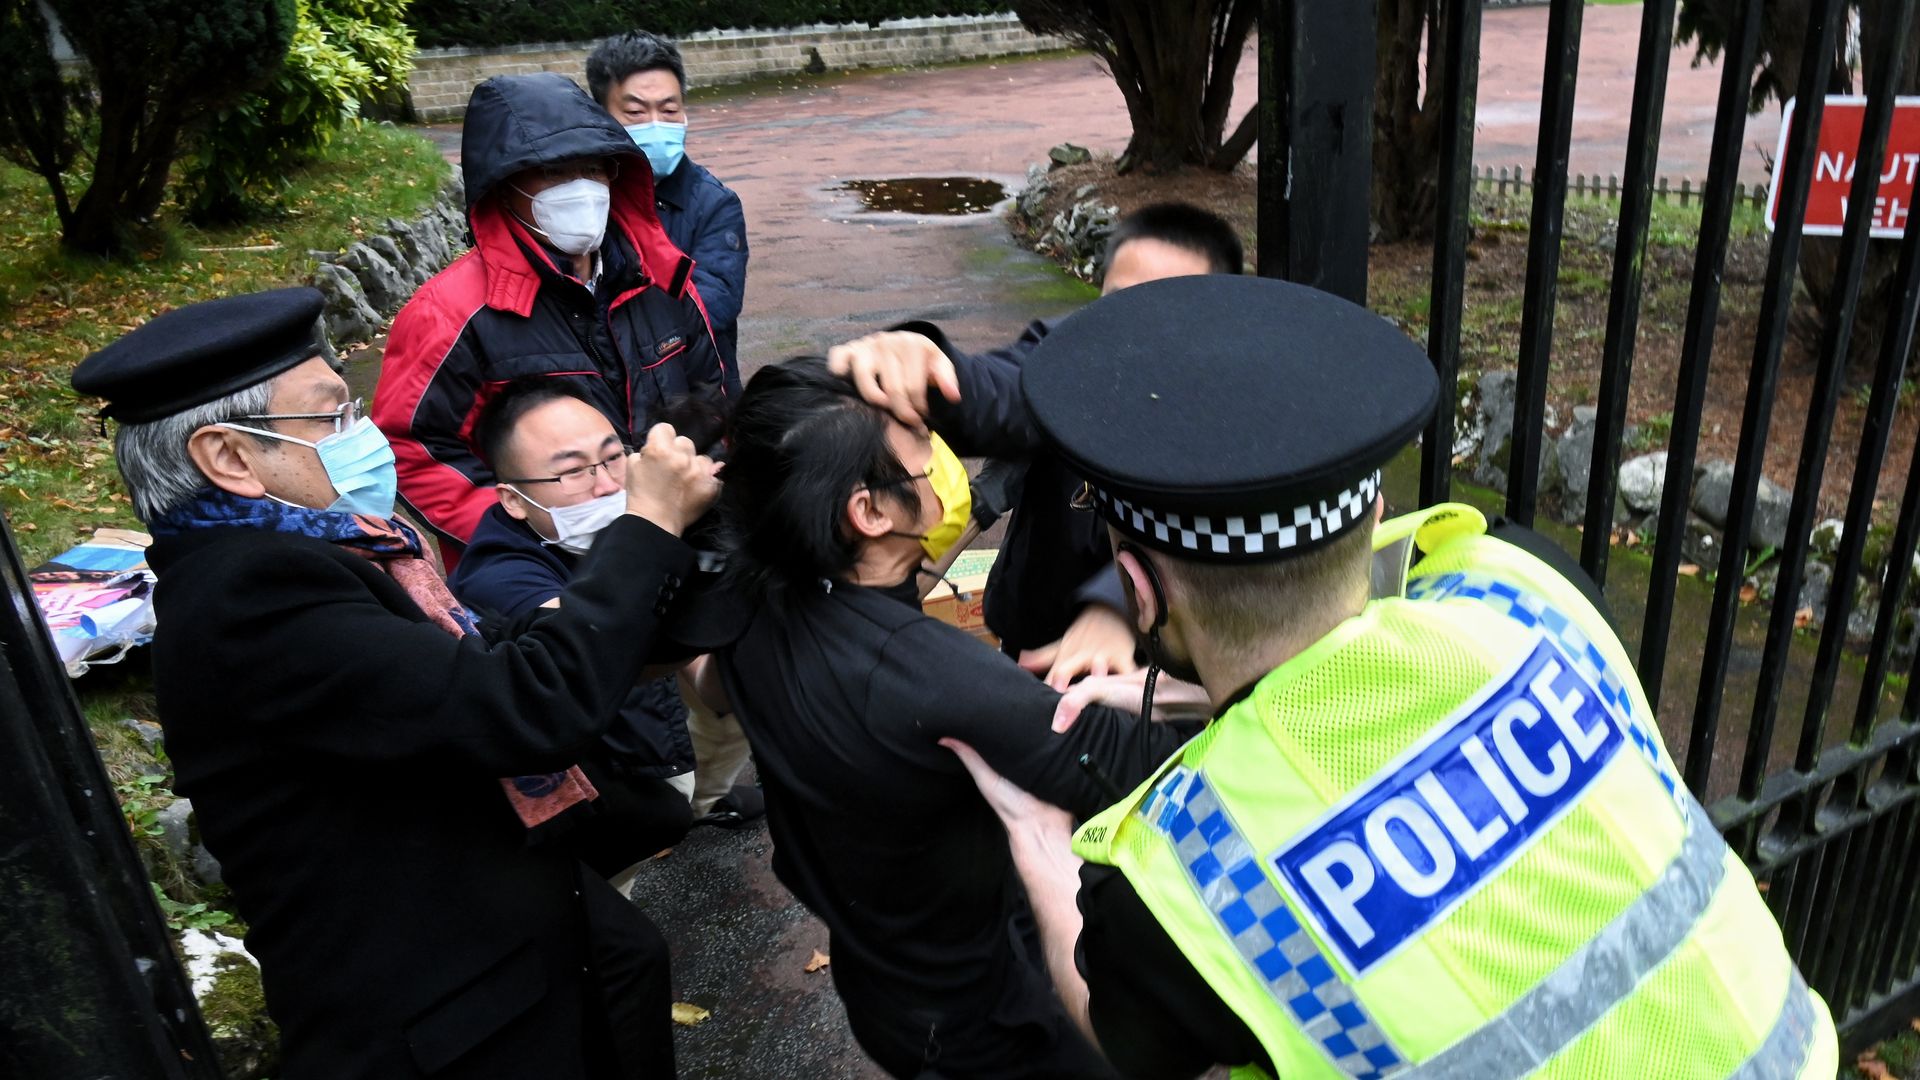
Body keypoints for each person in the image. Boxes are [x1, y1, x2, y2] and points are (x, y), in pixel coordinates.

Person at [942, 276, 1838, 1079]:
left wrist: (1037, 833)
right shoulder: (1526, 586)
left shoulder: (1187, 878)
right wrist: (1194, 696)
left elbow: (1118, 1035)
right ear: (1372, 507)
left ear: (1136, 587)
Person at [72, 287, 721, 1079]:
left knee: (629, 961)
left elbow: (463, 666)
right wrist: (645, 525)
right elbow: (518, 709)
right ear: (230, 457)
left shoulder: (329, 552)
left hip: (517, 951)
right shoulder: (249, 597)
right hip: (446, 1026)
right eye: (332, 419)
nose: (367, 437)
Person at [693, 356, 1187, 1078]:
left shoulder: (754, 599)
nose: (944, 454)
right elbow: (1149, 769)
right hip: (989, 1023)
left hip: (883, 984)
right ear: (868, 512)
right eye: (921, 442)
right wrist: (1172, 679)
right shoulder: (935, 679)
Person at [828, 202, 1243, 687]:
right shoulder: (1072, 359)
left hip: (1154, 664)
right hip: (1027, 635)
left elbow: (1224, 526)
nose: (1129, 334)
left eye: (1163, 313)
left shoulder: (1233, 415)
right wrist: (924, 365)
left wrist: (1116, 604)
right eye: (1114, 306)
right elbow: (1005, 388)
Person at [372, 71, 726, 560]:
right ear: (504, 184)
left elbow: (713, 402)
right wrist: (526, 538)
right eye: (555, 172)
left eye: (595, 169)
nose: (582, 188)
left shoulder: (661, 278)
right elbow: (411, 450)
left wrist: (702, 492)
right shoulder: (449, 313)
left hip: (677, 538)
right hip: (547, 572)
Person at [448, 376, 699, 886]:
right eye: (573, 472)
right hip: (602, 775)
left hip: (670, 726)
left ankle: (708, 799)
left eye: (613, 457)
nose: (608, 484)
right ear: (514, 501)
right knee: (611, 887)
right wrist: (658, 524)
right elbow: (597, 641)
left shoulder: (644, 507)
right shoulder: (496, 577)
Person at [588, 30, 749, 390]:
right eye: (635, 112)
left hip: (699, 400)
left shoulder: (713, 203)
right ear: (600, 116)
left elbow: (714, 306)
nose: (656, 124)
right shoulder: (585, 201)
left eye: (669, 109)